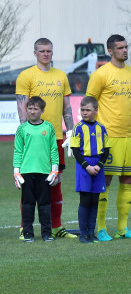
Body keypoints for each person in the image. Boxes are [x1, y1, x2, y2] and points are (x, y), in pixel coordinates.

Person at [15, 38, 76, 239]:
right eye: (41, 51)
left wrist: (71, 132)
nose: (46, 54)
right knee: (29, 185)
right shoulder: (26, 76)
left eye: (49, 51)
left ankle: (56, 227)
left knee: (55, 183)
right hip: (33, 139)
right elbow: (23, 107)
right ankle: (26, 228)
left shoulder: (61, 76)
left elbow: (67, 107)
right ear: (35, 53)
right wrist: (25, 135)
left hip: (56, 138)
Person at [85, 34, 131, 241]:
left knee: (128, 179)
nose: (124, 50)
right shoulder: (100, 75)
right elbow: (89, 104)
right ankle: (101, 228)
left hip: (129, 133)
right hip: (108, 136)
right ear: (110, 51)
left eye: (126, 47)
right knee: (105, 181)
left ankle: (122, 228)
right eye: (120, 48)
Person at [14, 96, 60, 242]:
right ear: (26, 109)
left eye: (35, 109)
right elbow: (17, 151)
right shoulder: (22, 128)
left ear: (42, 111)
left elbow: (54, 149)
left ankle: (47, 233)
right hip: (26, 172)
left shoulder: (48, 127)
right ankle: (28, 234)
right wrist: (16, 172)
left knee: (45, 204)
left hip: (44, 172)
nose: (32, 111)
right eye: (30, 108)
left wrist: (55, 169)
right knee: (27, 204)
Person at [70, 96, 109, 243]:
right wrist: (87, 167)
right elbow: (75, 150)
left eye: (88, 110)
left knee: (95, 200)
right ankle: (83, 233)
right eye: (82, 110)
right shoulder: (78, 128)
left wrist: (98, 165)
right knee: (85, 200)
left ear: (96, 111)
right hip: (84, 166)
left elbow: (106, 150)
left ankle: (92, 232)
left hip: (98, 166)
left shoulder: (101, 128)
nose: (84, 113)